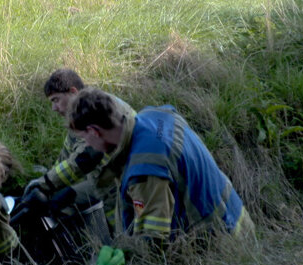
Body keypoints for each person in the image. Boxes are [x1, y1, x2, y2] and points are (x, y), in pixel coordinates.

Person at [66, 88, 254, 245]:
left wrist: (121, 253)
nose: (87, 146)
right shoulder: (156, 116)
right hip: (239, 219)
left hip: (223, 245)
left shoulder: (146, 168)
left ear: (94, 131)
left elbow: (153, 242)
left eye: (83, 139)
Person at [20, 69, 135, 226]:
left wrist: (46, 183)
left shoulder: (94, 109)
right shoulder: (82, 112)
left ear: (73, 92)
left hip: (127, 184)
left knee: (129, 232)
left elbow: (86, 158)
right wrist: (46, 183)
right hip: (111, 183)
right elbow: (67, 155)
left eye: (56, 100)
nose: (54, 108)